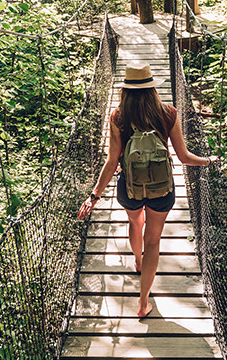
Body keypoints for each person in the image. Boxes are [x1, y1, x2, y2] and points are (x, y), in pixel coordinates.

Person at [77, 63, 218, 318]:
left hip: (129, 188)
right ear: (153, 88)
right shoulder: (168, 113)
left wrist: (94, 196)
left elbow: (111, 162)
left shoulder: (118, 116)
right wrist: (208, 161)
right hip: (161, 189)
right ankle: (143, 303)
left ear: (126, 90)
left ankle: (138, 262)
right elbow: (184, 157)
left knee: (135, 223)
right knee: (153, 240)